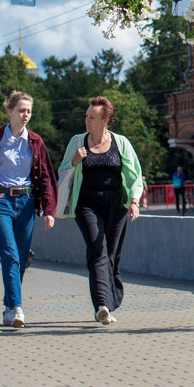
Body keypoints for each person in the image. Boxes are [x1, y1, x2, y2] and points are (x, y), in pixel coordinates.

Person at [0, 91, 58, 329]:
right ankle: (17, 308)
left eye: (29, 111)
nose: (25, 115)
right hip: (1, 201)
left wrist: (49, 209)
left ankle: (9, 307)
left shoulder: (35, 141)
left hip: (27, 203)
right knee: (9, 253)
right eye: (21, 110)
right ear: (10, 111)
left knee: (20, 258)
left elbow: (45, 176)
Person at [61, 96, 144, 326]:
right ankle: (102, 306)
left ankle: (111, 300)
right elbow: (62, 171)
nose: (87, 120)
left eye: (92, 117)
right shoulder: (77, 141)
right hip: (86, 205)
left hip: (117, 205)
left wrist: (134, 201)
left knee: (112, 256)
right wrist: (75, 161)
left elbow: (135, 174)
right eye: (87, 116)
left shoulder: (121, 143)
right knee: (97, 249)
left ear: (105, 120)